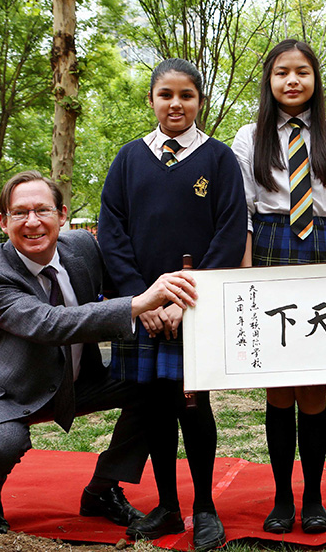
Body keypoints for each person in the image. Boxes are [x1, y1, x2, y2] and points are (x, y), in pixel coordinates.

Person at [0, 171, 198, 534]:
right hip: (3, 392)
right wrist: (141, 302)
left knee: (156, 383)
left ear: (62, 215)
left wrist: (162, 302)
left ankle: (101, 490)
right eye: (19, 213)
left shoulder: (82, 247)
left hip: (78, 381)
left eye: (42, 210)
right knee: (1, 445)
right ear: (3, 222)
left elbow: (125, 283)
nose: (32, 222)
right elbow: (49, 324)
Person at [98, 58, 246, 551]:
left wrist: (184, 299)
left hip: (195, 310)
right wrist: (144, 300)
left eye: (186, 95)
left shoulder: (219, 159)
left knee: (194, 407)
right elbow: (113, 234)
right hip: (143, 309)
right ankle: (166, 505)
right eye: (166, 95)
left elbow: (228, 233)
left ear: (199, 100)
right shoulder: (127, 159)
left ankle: (204, 506)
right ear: (152, 100)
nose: (175, 104)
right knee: (155, 408)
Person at [231, 38, 326, 535]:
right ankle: (282, 497)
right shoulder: (249, 137)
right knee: (278, 387)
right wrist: (246, 278)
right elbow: (240, 211)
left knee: (313, 387)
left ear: (315, 78)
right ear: (269, 80)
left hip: (322, 248)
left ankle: (313, 497)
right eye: (282, 72)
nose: (292, 80)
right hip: (267, 247)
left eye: (302, 71)